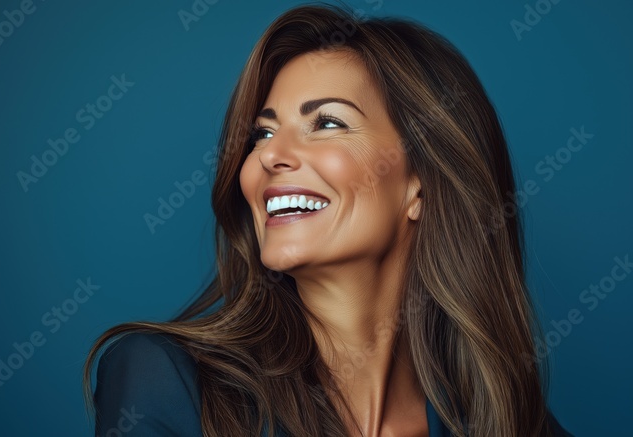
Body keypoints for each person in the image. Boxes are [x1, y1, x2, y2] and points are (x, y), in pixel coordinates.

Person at [83, 4, 574, 436]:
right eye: (262, 132)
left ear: (418, 184)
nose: (270, 154)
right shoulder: (164, 381)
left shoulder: (507, 422)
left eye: (327, 123)